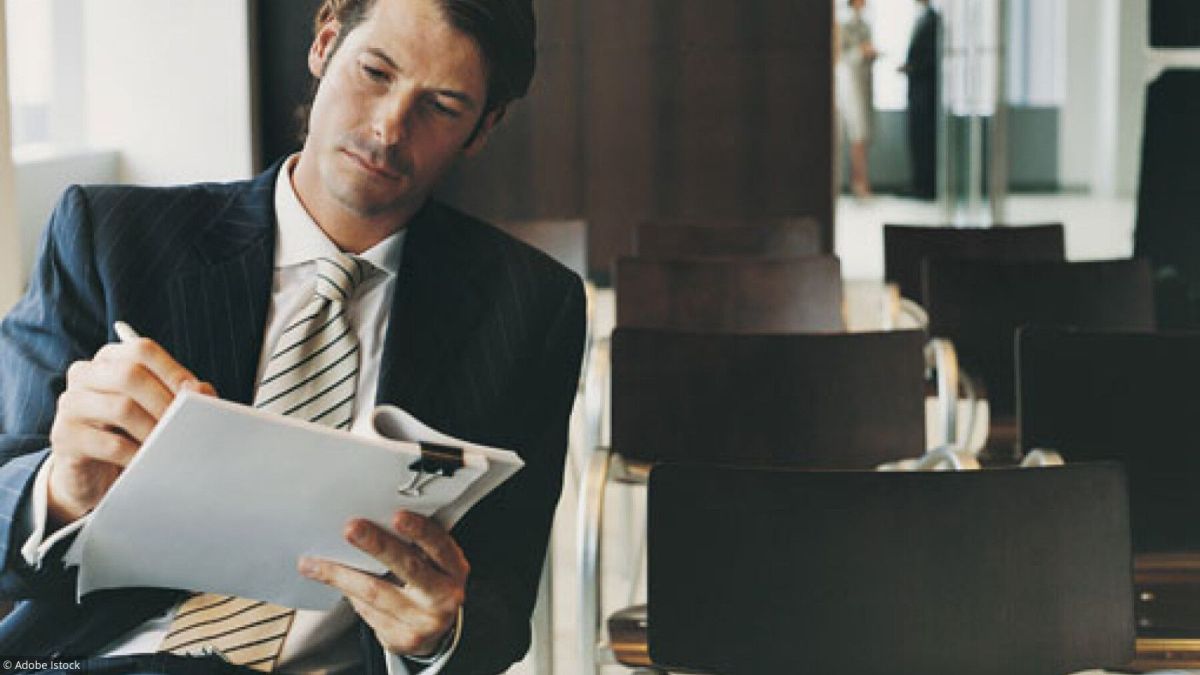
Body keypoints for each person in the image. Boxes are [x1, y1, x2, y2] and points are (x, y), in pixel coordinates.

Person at [0, 0, 585, 673]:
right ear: (325, 41)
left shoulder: (530, 308)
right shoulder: (110, 238)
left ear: (484, 127)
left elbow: (502, 603)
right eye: (375, 72)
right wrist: (61, 491)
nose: (389, 127)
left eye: (442, 107)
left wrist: (435, 635)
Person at [836, 0, 878, 199]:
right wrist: (861, 52)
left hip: (864, 81)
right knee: (857, 133)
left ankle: (861, 181)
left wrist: (870, 54)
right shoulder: (844, 24)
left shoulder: (866, 24)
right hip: (850, 83)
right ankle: (859, 183)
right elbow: (840, 56)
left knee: (863, 134)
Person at [900, 0, 940, 200]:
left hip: (926, 92)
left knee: (925, 141)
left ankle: (926, 187)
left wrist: (913, 68)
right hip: (918, 90)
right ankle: (918, 184)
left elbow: (932, 57)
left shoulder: (933, 20)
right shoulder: (923, 19)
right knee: (917, 140)